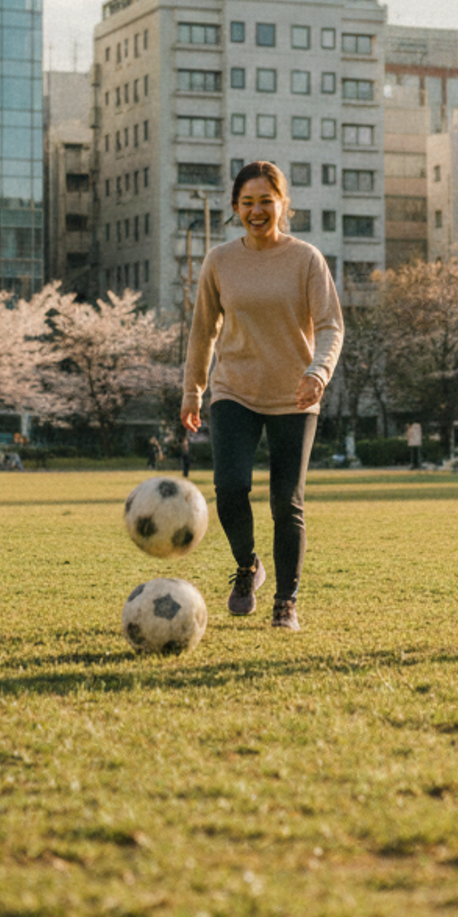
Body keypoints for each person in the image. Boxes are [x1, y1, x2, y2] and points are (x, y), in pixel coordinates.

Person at [181, 160, 343, 631]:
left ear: (283, 204)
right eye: (247, 202)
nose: (256, 211)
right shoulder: (219, 261)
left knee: (285, 501)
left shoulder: (306, 259)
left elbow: (331, 325)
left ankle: (285, 601)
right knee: (230, 488)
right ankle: (247, 566)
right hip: (234, 388)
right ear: (235, 207)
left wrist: (318, 372)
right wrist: (192, 389)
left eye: (266, 201)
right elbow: (203, 331)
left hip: (295, 393)